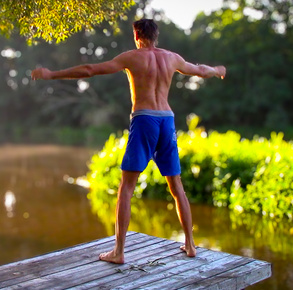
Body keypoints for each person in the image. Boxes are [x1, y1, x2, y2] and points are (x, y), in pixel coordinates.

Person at [31, 19, 226, 264]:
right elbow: (199, 70)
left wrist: (52, 74)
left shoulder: (132, 57)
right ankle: (190, 244)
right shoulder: (172, 58)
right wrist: (217, 70)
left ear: (137, 35)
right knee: (177, 187)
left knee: (126, 188)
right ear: (156, 36)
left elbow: (90, 70)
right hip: (167, 119)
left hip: (145, 119)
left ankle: (119, 252)